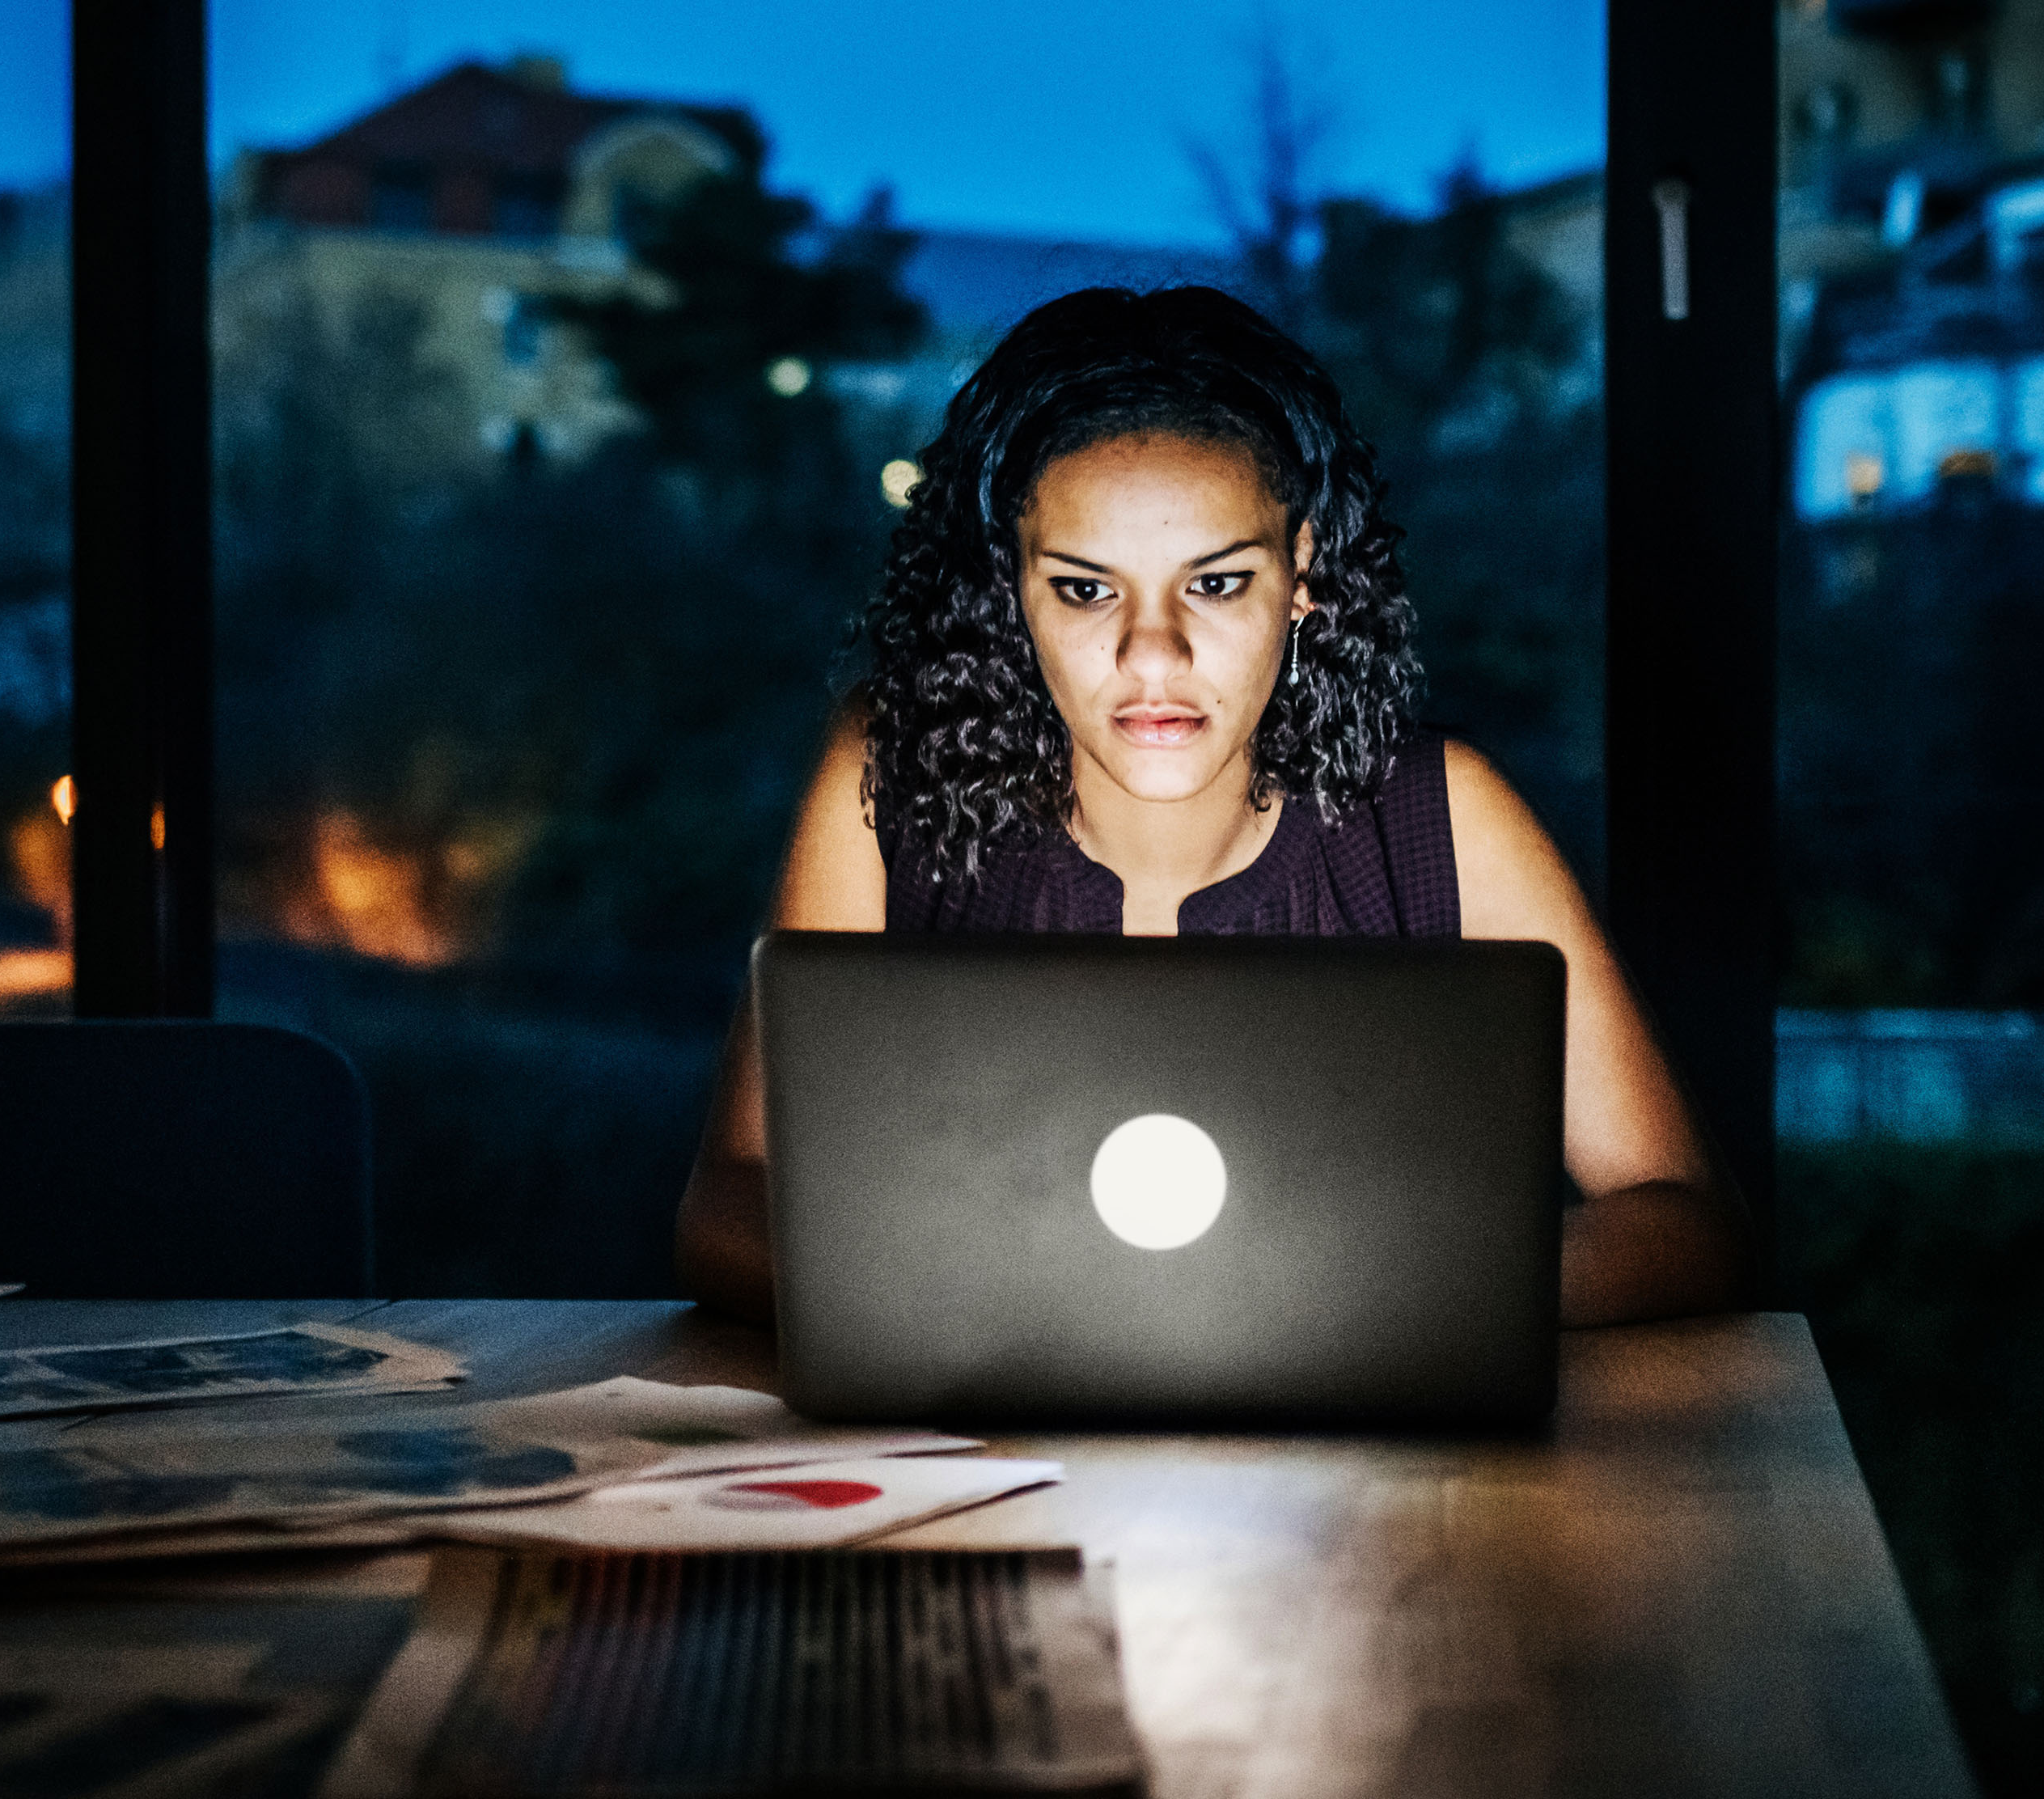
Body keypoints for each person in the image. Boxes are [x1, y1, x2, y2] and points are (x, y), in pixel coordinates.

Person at [675, 286, 1744, 1329]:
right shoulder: (890, 777)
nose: (1155, 655)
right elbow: (728, 1203)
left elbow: (1684, 1218)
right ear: (1010, 587)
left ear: (1304, 570)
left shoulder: (1442, 815)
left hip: (1370, 1496)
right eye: (1087, 589)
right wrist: (1002, 1310)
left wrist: (1402, 1307)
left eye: (1217, 584)